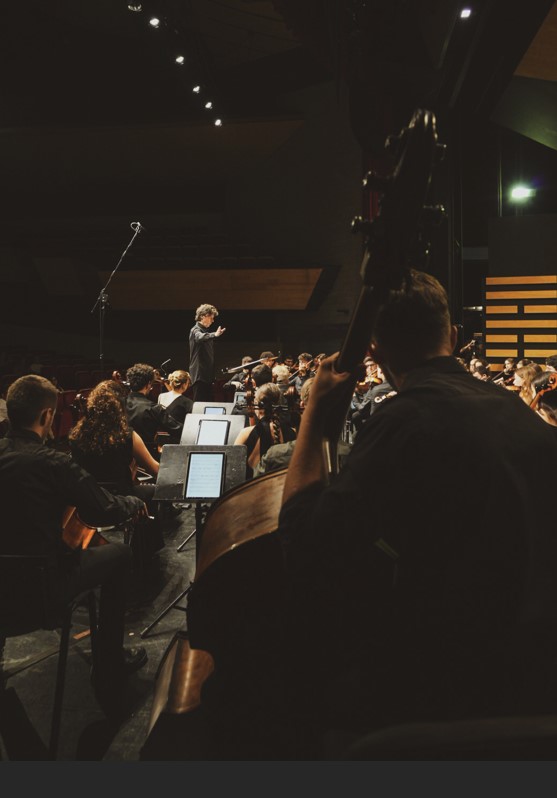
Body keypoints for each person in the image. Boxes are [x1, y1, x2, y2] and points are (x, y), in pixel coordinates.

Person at [275, 268, 557, 742]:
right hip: (535, 675)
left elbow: (304, 543)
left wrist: (314, 412)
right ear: (453, 335)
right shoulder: (522, 414)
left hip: (448, 695)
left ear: (374, 352)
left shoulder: (404, 422)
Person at [0, 375, 148, 713]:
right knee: (120, 553)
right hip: (40, 594)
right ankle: (109, 664)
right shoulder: (54, 462)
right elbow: (103, 507)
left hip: (4, 594)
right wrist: (133, 503)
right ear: (46, 417)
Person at [233, 382, 296, 479]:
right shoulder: (293, 432)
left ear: (257, 405)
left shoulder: (245, 434)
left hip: (252, 492)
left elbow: (233, 468)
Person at [125, 363, 182, 456]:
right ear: (148, 385)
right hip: (147, 459)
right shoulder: (153, 408)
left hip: (122, 458)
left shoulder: (118, 404)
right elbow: (178, 429)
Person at [188, 304, 226, 402]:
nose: (213, 321)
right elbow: (200, 337)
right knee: (199, 405)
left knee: (208, 404)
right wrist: (215, 334)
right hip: (200, 376)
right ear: (203, 316)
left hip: (207, 376)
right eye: (211, 318)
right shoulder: (195, 330)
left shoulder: (205, 332)